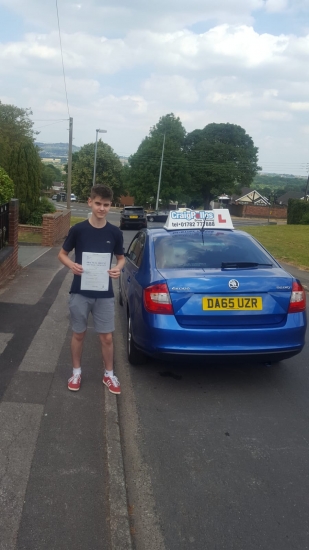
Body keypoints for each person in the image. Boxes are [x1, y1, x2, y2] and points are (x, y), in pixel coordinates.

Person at [58, 185, 125, 394]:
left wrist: (117, 269)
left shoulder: (115, 232)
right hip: (80, 292)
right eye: (98, 203)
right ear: (90, 202)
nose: (102, 208)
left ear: (110, 206)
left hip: (104, 294)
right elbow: (62, 254)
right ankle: (76, 372)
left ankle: (109, 374)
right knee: (78, 334)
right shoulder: (78, 230)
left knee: (106, 337)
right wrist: (72, 265)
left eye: (106, 205)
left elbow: (121, 259)